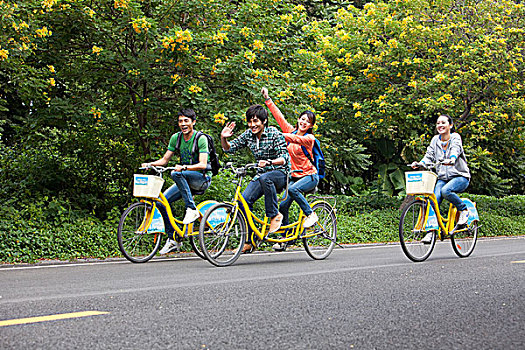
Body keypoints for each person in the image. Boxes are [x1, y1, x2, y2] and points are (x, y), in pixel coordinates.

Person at [220, 104, 290, 253]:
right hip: (262, 175)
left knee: (266, 178)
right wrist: (223, 138)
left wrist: (270, 162)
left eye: (256, 121)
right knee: (243, 201)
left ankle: (274, 215)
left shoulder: (274, 133)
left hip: (280, 174)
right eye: (250, 121)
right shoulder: (248, 135)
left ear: (264, 121)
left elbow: (284, 158)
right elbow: (229, 148)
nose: (252, 125)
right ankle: (249, 241)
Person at [142, 108, 212, 254]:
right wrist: (150, 164)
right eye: (180, 121)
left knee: (176, 173)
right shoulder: (176, 138)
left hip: (201, 178)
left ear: (193, 122)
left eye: (186, 121)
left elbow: (203, 164)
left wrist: (184, 167)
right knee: (161, 203)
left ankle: (191, 209)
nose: (183, 124)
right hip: (184, 178)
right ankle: (174, 238)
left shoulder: (201, 138)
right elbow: (164, 160)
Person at [261, 87, 319, 251]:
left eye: (307, 121)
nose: (303, 122)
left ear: (311, 125)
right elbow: (279, 117)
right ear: (298, 120)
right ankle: (285, 238)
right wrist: (268, 99)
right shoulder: (290, 130)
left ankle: (310, 214)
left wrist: (278, 135)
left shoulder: (309, 138)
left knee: (293, 190)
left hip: (310, 176)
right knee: (283, 206)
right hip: (294, 176)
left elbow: (295, 139)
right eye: (302, 119)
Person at [411, 114, 471, 243]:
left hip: (460, 177)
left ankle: (463, 209)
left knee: (446, 191)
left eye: (443, 123)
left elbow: (456, 149)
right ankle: (431, 232)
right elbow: (429, 156)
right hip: (443, 178)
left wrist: (452, 159)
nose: (440, 125)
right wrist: (420, 163)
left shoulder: (455, 137)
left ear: (450, 125)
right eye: (438, 123)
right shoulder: (435, 140)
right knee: (433, 201)